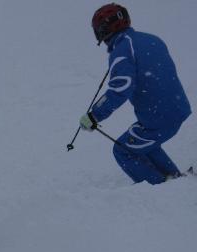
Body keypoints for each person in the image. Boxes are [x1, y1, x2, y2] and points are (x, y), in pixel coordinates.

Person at [79, 3, 191, 184]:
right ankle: (175, 180)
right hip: (176, 109)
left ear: (105, 30)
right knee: (143, 144)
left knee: (123, 150)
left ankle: (160, 189)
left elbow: (119, 89)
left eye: (98, 31)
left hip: (158, 117)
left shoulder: (123, 50)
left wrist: (94, 116)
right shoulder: (152, 39)